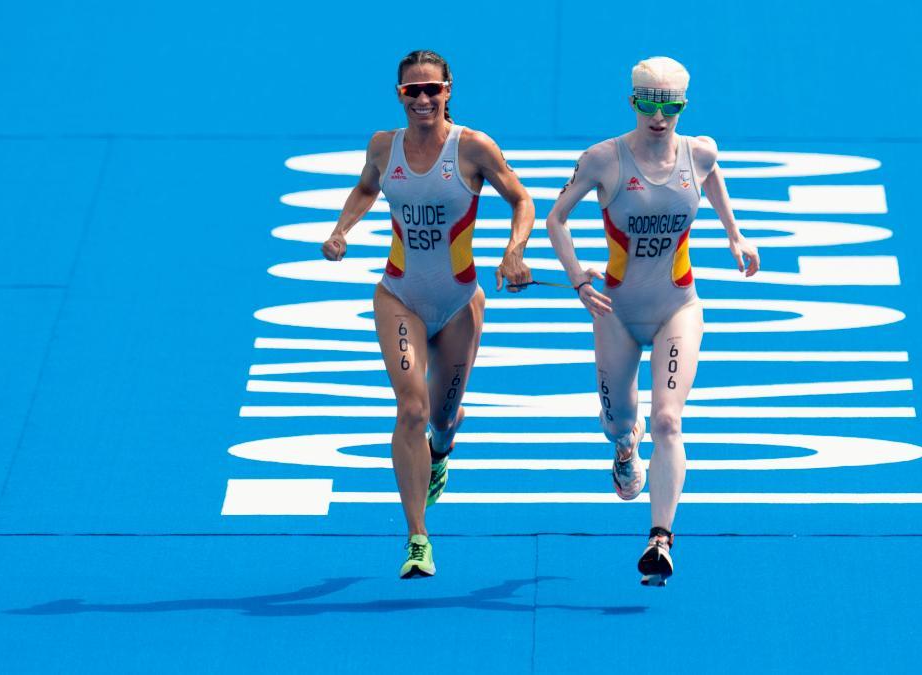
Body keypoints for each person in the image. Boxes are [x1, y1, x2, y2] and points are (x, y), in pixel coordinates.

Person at [546, 56, 760, 585]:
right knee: (622, 421)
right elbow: (555, 218)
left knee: (668, 419)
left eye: (670, 106)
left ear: (683, 105)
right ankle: (623, 445)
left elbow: (712, 182)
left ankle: (660, 540)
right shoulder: (603, 159)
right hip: (616, 312)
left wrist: (735, 235)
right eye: (648, 103)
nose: (659, 116)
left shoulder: (701, 152)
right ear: (632, 102)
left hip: (676, 307)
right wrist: (578, 280)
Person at [321, 49, 533, 578]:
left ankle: (443, 448)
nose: (421, 100)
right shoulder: (382, 146)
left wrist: (515, 251)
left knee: (439, 418)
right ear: (398, 95)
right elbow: (368, 187)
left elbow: (522, 200)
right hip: (400, 296)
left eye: (431, 90)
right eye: (410, 91)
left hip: (461, 303)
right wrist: (341, 229)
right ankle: (417, 538)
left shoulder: (473, 148)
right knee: (411, 409)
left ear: (448, 90)